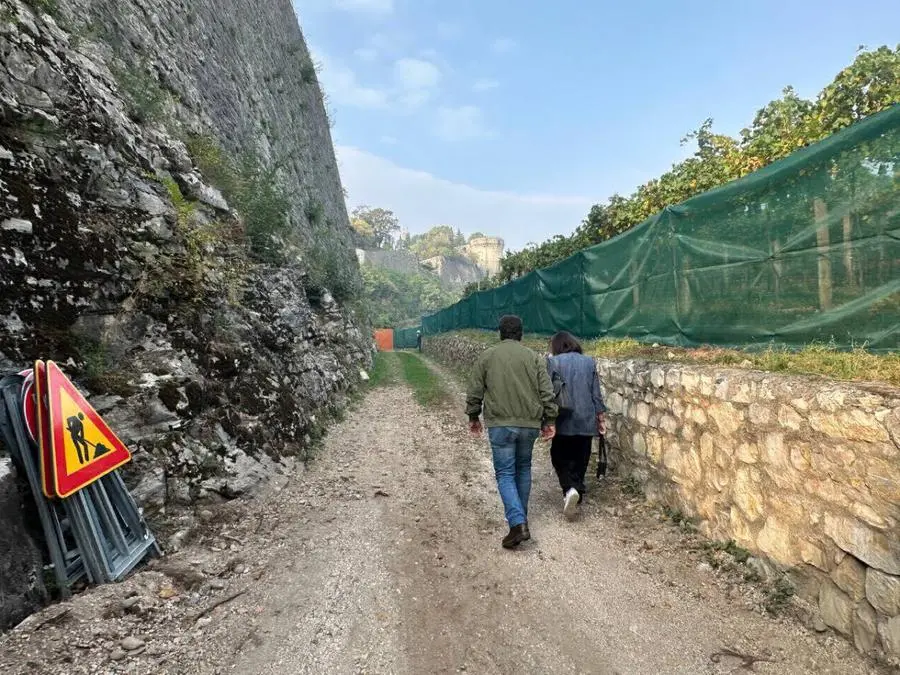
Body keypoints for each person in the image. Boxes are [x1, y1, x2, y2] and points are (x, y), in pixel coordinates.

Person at [466, 315, 557, 549]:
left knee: (505, 473)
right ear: (521, 333)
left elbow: (475, 388)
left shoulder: (487, 356)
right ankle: (520, 519)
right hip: (529, 424)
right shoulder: (533, 358)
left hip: (501, 424)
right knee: (523, 468)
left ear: (500, 332)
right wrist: (550, 419)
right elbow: (546, 391)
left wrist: (473, 415)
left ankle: (517, 523)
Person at [547, 330, 607, 520]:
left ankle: (569, 489)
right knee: (581, 456)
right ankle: (577, 491)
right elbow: (595, 393)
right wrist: (600, 418)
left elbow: (548, 391)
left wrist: (545, 419)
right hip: (586, 417)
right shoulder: (589, 361)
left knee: (558, 455)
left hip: (563, 417)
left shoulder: (553, 362)